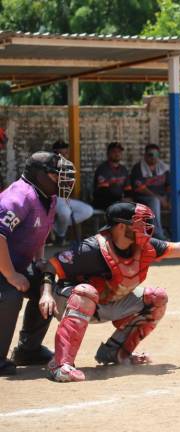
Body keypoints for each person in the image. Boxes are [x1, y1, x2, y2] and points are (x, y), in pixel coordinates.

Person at [40, 202, 180, 382]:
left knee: (157, 297)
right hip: (70, 303)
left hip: (108, 303)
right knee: (86, 292)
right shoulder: (92, 248)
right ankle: (61, 364)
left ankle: (116, 352)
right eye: (140, 224)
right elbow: (51, 265)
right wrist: (46, 294)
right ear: (121, 227)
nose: (147, 229)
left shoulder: (144, 247)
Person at [0, 151, 75, 375]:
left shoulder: (48, 196)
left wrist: (39, 261)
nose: (63, 180)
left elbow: (39, 231)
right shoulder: (19, 196)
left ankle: (28, 350)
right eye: (57, 174)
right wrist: (11, 275)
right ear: (40, 175)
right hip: (4, 267)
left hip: (15, 265)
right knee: (9, 297)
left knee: (49, 285)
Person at [51, 140, 93, 244]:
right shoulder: (47, 167)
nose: (63, 156)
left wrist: (66, 197)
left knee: (87, 210)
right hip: (51, 198)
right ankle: (60, 236)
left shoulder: (68, 167)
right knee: (66, 212)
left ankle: (54, 227)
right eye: (59, 153)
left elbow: (67, 189)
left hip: (64, 199)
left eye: (65, 153)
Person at [131, 144, 170, 239]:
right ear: (145, 155)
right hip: (143, 199)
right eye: (150, 154)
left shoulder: (163, 167)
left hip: (162, 197)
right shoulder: (138, 168)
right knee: (155, 201)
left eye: (156, 154)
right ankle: (158, 235)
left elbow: (170, 185)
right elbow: (141, 189)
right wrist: (159, 198)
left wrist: (167, 198)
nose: (153, 157)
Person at [93, 141, 131, 210]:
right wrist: (120, 199)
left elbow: (128, 189)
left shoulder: (123, 169)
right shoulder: (103, 169)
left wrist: (128, 198)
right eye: (114, 151)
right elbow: (103, 191)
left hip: (119, 201)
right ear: (108, 154)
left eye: (119, 152)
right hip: (104, 201)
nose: (117, 154)